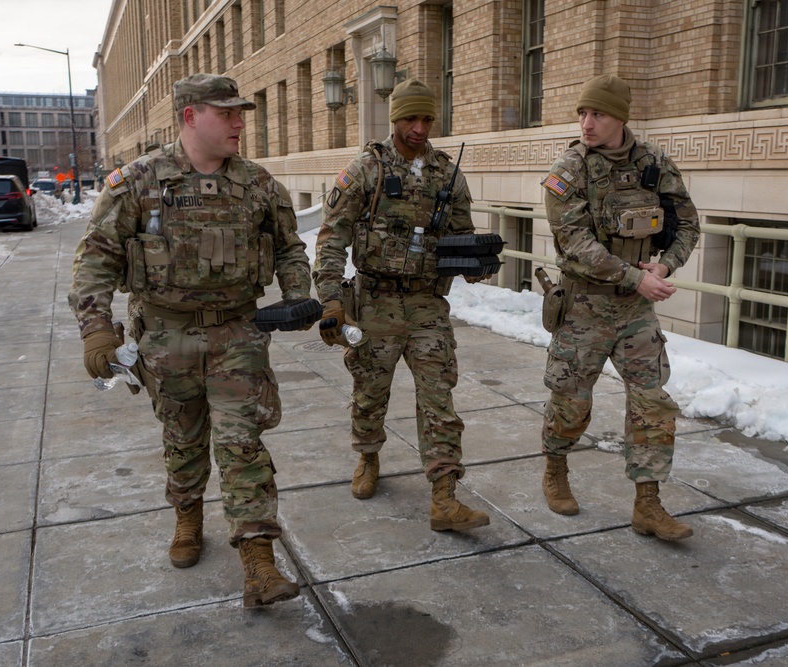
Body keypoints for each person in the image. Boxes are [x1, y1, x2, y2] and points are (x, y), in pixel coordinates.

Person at [68, 73, 312, 606]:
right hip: (165, 334)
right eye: (226, 113)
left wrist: (299, 295)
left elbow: (291, 247)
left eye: (240, 113)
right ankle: (187, 516)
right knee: (182, 439)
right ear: (189, 116)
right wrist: (96, 331)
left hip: (239, 334)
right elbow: (95, 259)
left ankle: (258, 561)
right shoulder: (137, 182)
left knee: (242, 441)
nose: (239, 122)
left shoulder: (259, 184)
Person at [313, 79, 490, 532]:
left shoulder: (446, 173)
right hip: (374, 303)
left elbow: (461, 235)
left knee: (438, 399)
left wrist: (476, 262)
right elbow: (332, 238)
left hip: (428, 304)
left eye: (426, 119)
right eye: (411, 118)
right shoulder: (365, 170)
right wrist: (332, 299)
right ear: (395, 119)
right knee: (370, 394)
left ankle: (445, 496)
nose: (419, 127)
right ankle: (368, 457)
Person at [539, 74, 700, 541]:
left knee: (652, 403)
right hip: (584, 308)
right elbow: (574, 243)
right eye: (583, 114)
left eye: (599, 114)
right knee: (571, 402)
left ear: (620, 117)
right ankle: (555, 469)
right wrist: (637, 277)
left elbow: (687, 223)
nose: (588, 123)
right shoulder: (568, 169)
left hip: (635, 311)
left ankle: (647, 504)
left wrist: (666, 266)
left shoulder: (654, 163)